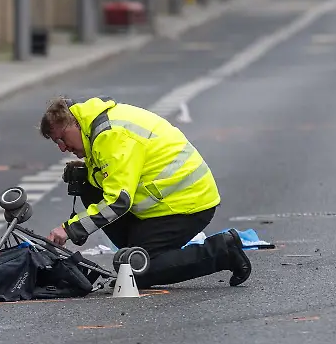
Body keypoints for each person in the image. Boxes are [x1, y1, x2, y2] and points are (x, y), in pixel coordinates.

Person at [40, 96, 252, 289]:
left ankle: (223, 251)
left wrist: (70, 229)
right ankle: (138, 253)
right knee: (83, 181)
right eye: (56, 143)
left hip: (187, 204)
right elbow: (115, 177)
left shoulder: (111, 136)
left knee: (136, 273)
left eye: (62, 138)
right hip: (164, 203)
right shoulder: (95, 125)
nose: (62, 148)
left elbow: (118, 201)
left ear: (75, 123)